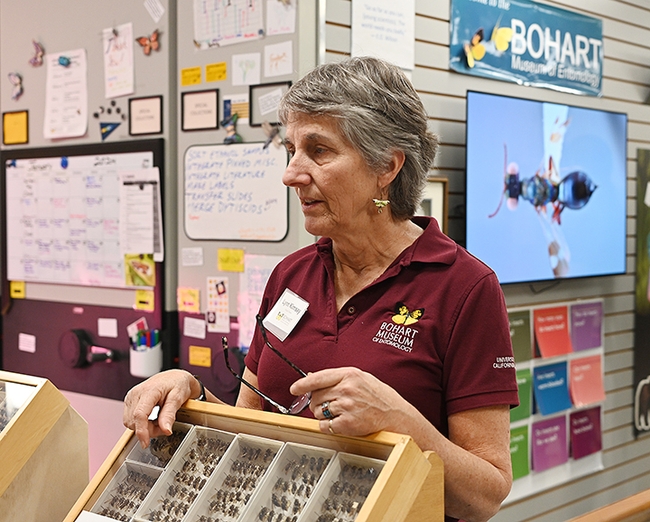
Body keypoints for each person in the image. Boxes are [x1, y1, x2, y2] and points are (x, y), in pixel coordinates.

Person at [123, 56, 519, 522]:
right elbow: (252, 429)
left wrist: (400, 422)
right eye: (291, 149)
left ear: (386, 167)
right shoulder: (291, 275)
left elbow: (486, 497)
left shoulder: (465, 288)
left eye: (319, 151)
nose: (291, 173)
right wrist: (190, 399)